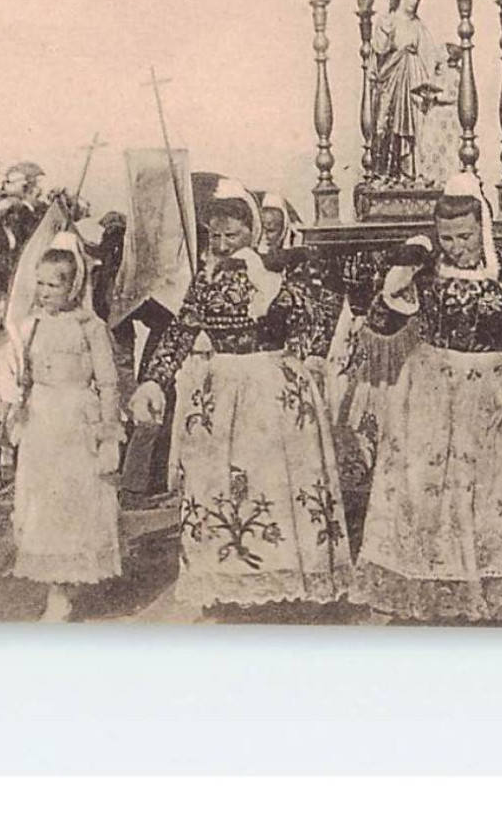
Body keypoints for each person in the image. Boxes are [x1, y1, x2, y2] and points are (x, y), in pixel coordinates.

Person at [348, 173, 502, 625]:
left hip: (495, 398)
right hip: (430, 396)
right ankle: (431, 590)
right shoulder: (425, 270)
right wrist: (396, 282)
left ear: (482, 228)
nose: (455, 246)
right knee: (428, 496)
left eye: (464, 235)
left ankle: (494, 589)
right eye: (446, 237)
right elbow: (380, 328)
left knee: (492, 496)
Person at [128, 181, 351, 613]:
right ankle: (235, 581)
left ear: (252, 231)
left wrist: (303, 340)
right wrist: (155, 379)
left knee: (274, 479)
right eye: (217, 236)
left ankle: (286, 580)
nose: (225, 244)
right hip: (221, 390)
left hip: (273, 386)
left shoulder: (277, 274)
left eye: (234, 235)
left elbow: (315, 316)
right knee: (225, 484)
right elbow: (179, 333)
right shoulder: (205, 279)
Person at [0, 234, 124, 621]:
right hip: (41, 420)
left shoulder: (90, 327)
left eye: (55, 284)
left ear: (74, 286)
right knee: (42, 504)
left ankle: (62, 592)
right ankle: (55, 581)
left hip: (76, 419)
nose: (45, 292)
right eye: (41, 283)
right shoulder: (29, 326)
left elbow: (109, 382)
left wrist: (108, 430)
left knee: (71, 502)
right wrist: (11, 392)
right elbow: (15, 372)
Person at [369, 0, 459, 181]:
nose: (414, 0)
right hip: (392, 84)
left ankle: (410, 172)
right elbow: (380, 51)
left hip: (414, 84)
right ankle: (389, 174)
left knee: (415, 126)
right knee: (388, 124)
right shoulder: (388, 21)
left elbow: (431, 56)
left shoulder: (419, 26)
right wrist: (386, 34)